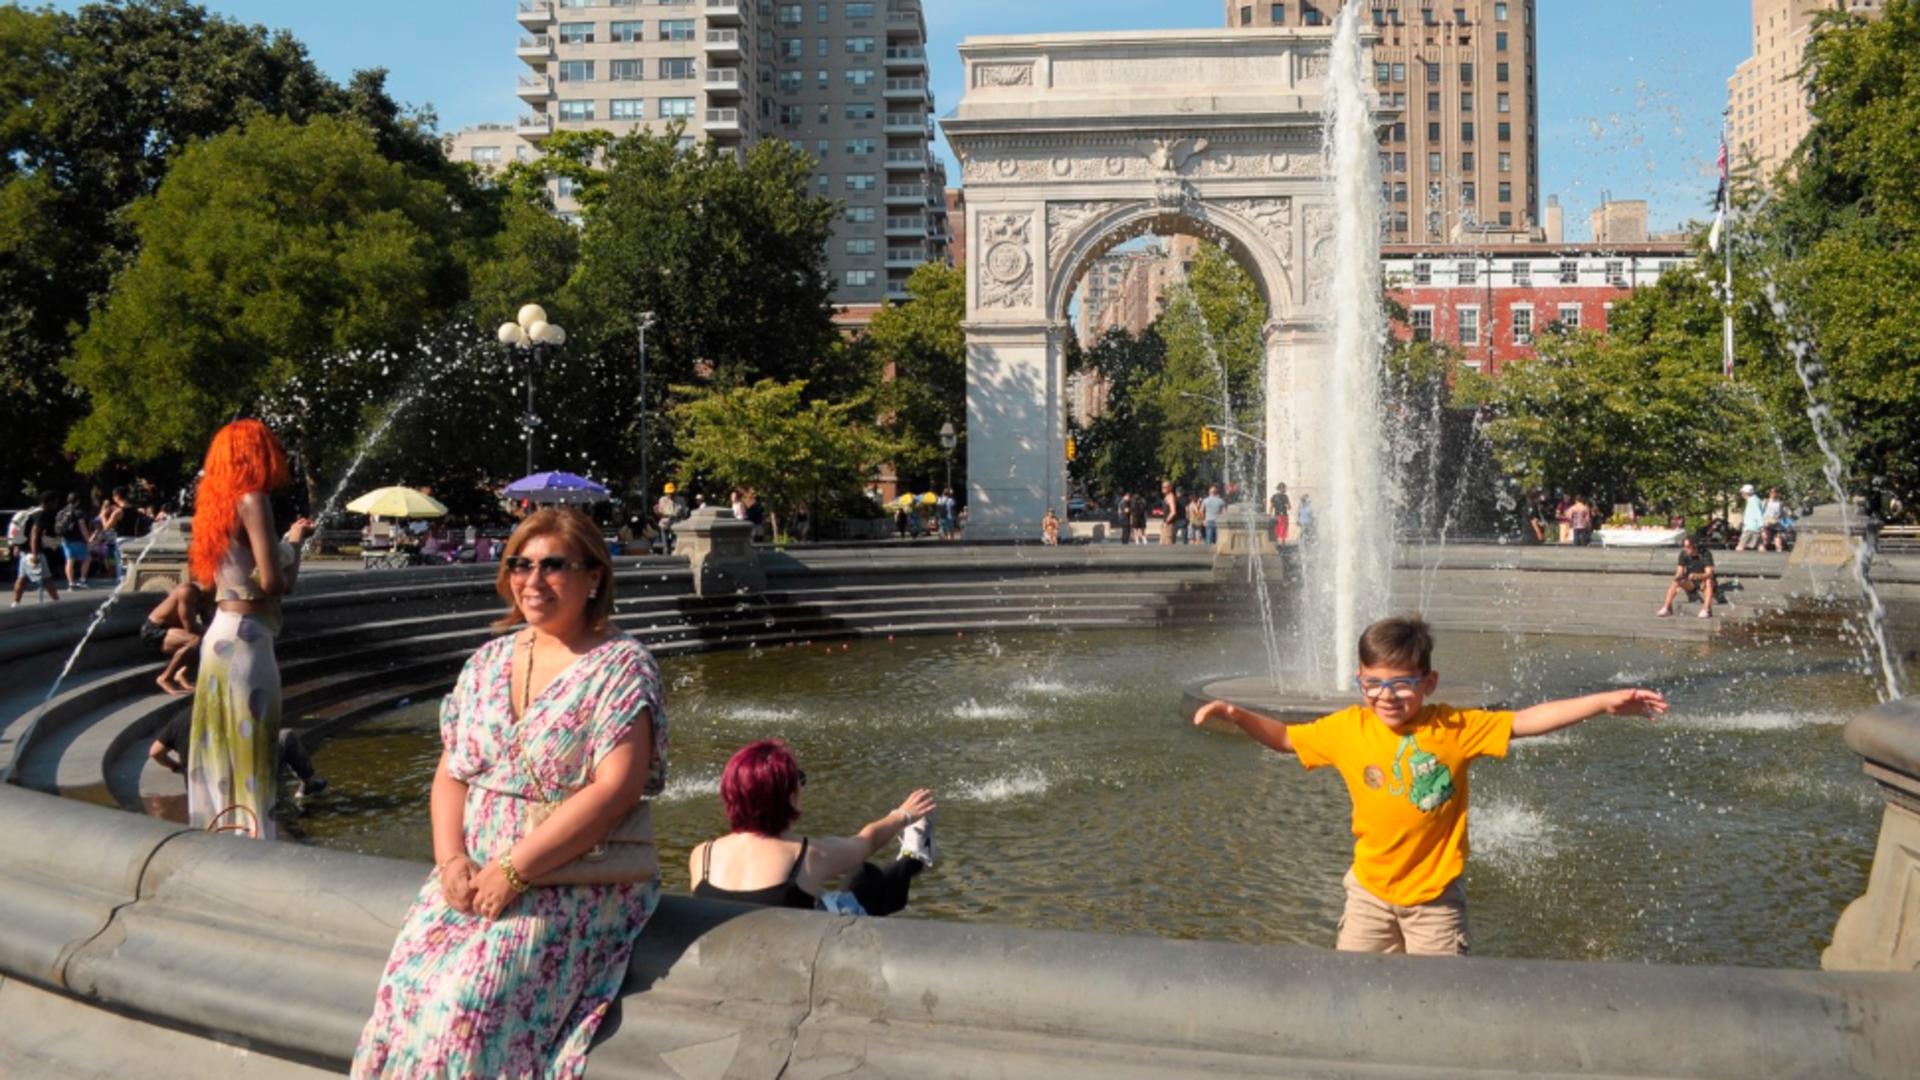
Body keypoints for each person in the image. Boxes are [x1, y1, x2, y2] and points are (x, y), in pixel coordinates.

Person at [353, 508, 669, 1077]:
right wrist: (450, 859)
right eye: (520, 565)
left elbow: (616, 789)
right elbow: (452, 772)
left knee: (468, 1008)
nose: (532, 580)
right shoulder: (488, 661)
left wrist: (514, 871)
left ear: (594, 576)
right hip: (471, 875)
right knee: (404, 993)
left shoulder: (621, 667)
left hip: (565, 879)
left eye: (553, 566)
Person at [1192, 615, 1665, 956]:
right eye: (1373, 683)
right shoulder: (1346, 729)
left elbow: (1525, 721)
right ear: (1360, 680)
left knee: (1437, 1001)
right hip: (1368, 896)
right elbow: (1286, 739)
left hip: (1434, 903)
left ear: (1429, 683)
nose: (1387, 696)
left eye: (1402, 684)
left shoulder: (1454, 728)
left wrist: (1601, 702)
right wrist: (1238, 715)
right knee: (1353, 992)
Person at [186, 420, 316, 839]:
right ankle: (256, 838)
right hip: (248, 641)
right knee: (252, 745)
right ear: (255, 454)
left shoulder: (214, 506)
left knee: (219, 743)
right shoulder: (251, 499)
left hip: (219, 634)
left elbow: (210, 584)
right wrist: (292, 543)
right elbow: (276, 584)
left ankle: (220, 832)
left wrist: (285, 552)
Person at [691, 739, 936, 916]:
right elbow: (866, 842)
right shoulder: (805, 856)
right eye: (800, 780)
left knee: (831, 891)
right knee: (863, 878)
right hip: (789, 968)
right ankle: (913, 858)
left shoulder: (701, 855)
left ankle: (911, 858)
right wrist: (904, 814)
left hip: (720, 973)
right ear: (788, 796)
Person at [149, 707, 327, 799]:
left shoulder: (183, 717)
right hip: (239, 785)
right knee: (286, 737)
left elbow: (155, 752)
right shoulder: (232, 714)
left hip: (199, 792)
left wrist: (174, 765)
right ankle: (308, 784)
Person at [144, 580, 211, 694]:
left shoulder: (207, 596)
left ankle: (181, 674)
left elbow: (209, 623)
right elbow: (190, 627)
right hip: (155, 631)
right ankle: (165, 678)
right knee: (195, 640)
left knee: (208, 641)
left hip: (175, 631)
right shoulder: (186, 591)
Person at [9, 493, 61, 607]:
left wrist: (17, 546)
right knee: (47, 579)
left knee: (22, 579)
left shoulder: (32, 511)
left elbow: (25, 531)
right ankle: (58, 604)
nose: (56, 505)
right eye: (55, 502)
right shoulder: (41, 514)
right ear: (49, 502)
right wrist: (35, 554)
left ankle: (15, 603)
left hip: (24, 552)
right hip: (34, 552)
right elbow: (34, 533)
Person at [1656, 535, 1717, 618]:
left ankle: (1706, 609)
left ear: (1694, 546)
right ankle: (1666, 608)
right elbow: (1679, 571)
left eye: (1688, 547)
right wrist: (1677, 578)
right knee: (1676, 581)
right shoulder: (1683, 554)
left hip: (1704, 580)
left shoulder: (1705, 554)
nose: (1685, 549)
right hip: (1691, 582)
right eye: (1684, 546)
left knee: (1709, 581)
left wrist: (1698, 576)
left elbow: (1709, 573)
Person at [56, 491, 96, 590]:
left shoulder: (62, 512)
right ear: (77, 501)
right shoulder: (78, 512)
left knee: (70, 560)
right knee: (87, 558)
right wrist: (88, 540)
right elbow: (82, 527)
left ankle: (71, 583)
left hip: (65, 539)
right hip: (78, 539)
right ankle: (82, 580)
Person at [654, 482, 687, 555]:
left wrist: (679, 514)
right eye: (668, 493)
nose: (670, 495)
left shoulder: (680, 500)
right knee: (666, 546)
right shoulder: (662, 500)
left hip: (677, 524)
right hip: (665, 524)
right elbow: (660, 512)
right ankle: (666, 559)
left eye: (671, 493)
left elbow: (684, 513)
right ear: (665, 493)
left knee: (678, 544)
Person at [1762, 487, 1785, 552]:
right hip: (1766, 522)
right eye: (1772, 492)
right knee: (1766, 539)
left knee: (1778, 538)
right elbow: (1761, 512)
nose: (1774, 493)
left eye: (1775, 492)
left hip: (1776, 522)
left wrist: (1781, 520)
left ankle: (1779, 550)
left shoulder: (1780, 503)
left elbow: (1781, 513)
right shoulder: (1765, 502)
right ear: (1769, 493)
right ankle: (1761, 555)